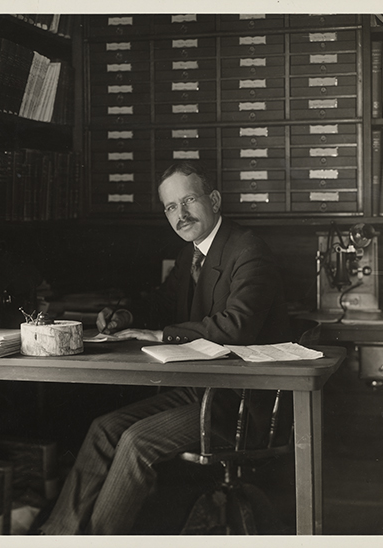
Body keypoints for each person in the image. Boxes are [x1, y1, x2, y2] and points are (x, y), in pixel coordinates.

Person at [38, 161, 290, 535]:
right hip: (200, 389)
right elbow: (160, 301)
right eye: (171, 207)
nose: (181, 214)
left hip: (240, 404)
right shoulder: (192, 253)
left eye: (188, 200)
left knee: (137, 442)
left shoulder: (248, 250)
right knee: (104, 429)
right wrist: (125, 315)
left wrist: (163, 335)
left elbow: (236, 326)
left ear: (215, 200)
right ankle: (56, 537)